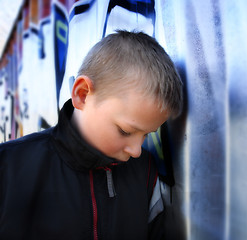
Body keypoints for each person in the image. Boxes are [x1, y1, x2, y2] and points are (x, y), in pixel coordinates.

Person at [0, 30, 183, 240]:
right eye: (125, 131)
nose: (136, 151)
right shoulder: (8, 167)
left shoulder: (146, 172)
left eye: (146, 135)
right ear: (82, 94)